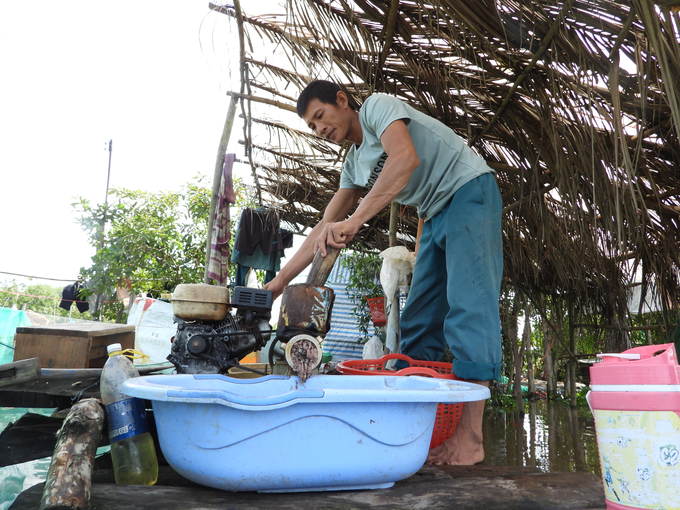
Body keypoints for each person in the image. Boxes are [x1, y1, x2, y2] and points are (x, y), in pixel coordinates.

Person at [264, 80, 503, 465]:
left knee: (468, 308)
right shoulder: (353, 164)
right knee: (419, 320)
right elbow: (324, 228)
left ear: (342, 101)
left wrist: (356, 220)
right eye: (312, 127)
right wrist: (277, 285)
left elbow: (405, 159)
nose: (320, 129)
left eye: (320, 117)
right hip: (435, 213)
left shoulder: (377, 107)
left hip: (468, 192)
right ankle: (415, 433)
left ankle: (470, 439)